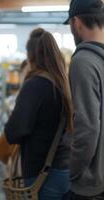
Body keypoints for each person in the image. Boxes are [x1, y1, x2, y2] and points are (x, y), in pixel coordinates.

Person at [5, 28, 74, 199]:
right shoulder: (62, 82)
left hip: (43, 172)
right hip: (67, 167)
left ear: (30, 57)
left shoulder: (34, 85)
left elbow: (14, 132)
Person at [65, 0, 104, 199]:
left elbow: (88, 128)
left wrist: (72, 171)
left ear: (76, 22)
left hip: (90, 186)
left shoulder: (83, 61)